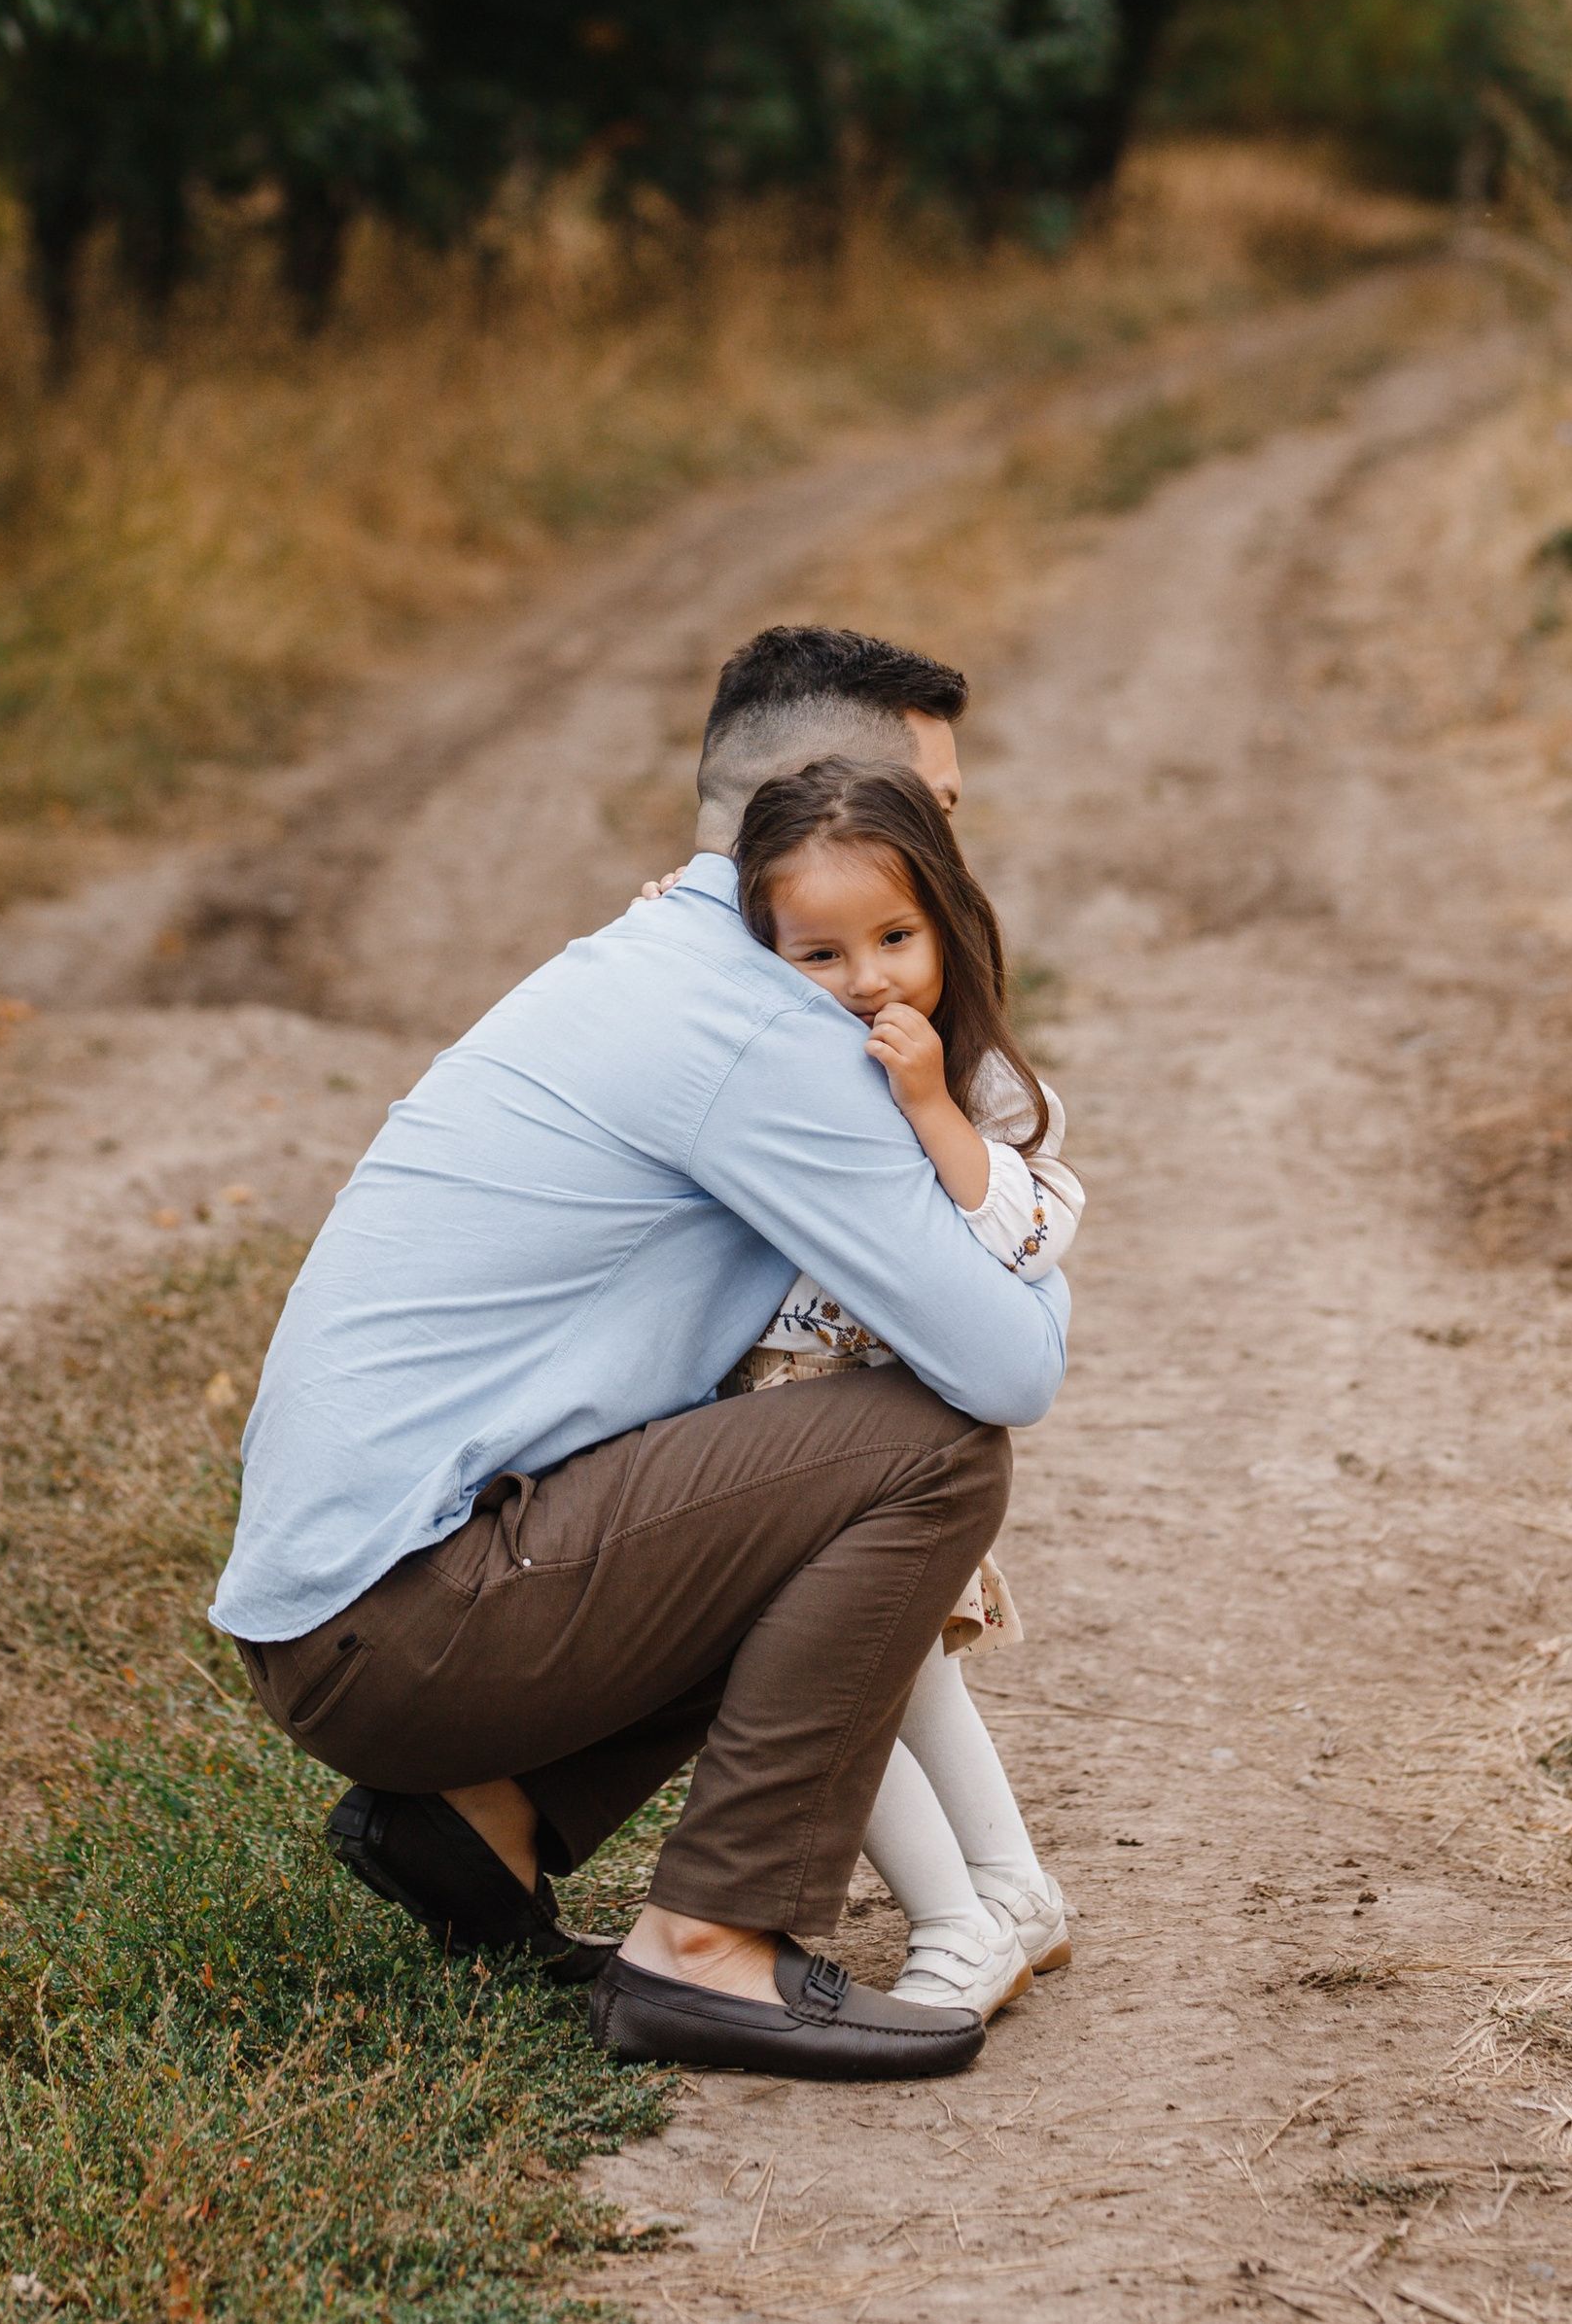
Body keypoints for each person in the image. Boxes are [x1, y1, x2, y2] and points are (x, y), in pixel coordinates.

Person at [213, 626, 1068, 2080]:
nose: (951, 848)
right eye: (934, 807)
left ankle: (490, 1818)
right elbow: (1006, 1367)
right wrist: (1024, 1245)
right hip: (400, 1626)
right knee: (922, 1450)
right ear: (826, 813)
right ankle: (714, 1941)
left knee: (785, 1461)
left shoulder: (665, 960)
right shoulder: (765, 1027)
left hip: (354, 1609)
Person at [727, 757, 1080, 2023]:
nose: (868, 976)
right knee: (902, 1669)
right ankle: (1012, 1888)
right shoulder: (760, 1070)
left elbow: (1029, 1240)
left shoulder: (971, 1080)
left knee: (821, 1664)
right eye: (818, 952)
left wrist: (930, 1105)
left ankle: (956, 1923)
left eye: (895, 935)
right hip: (776, 1424)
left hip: (883, 1434)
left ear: (946, 923)